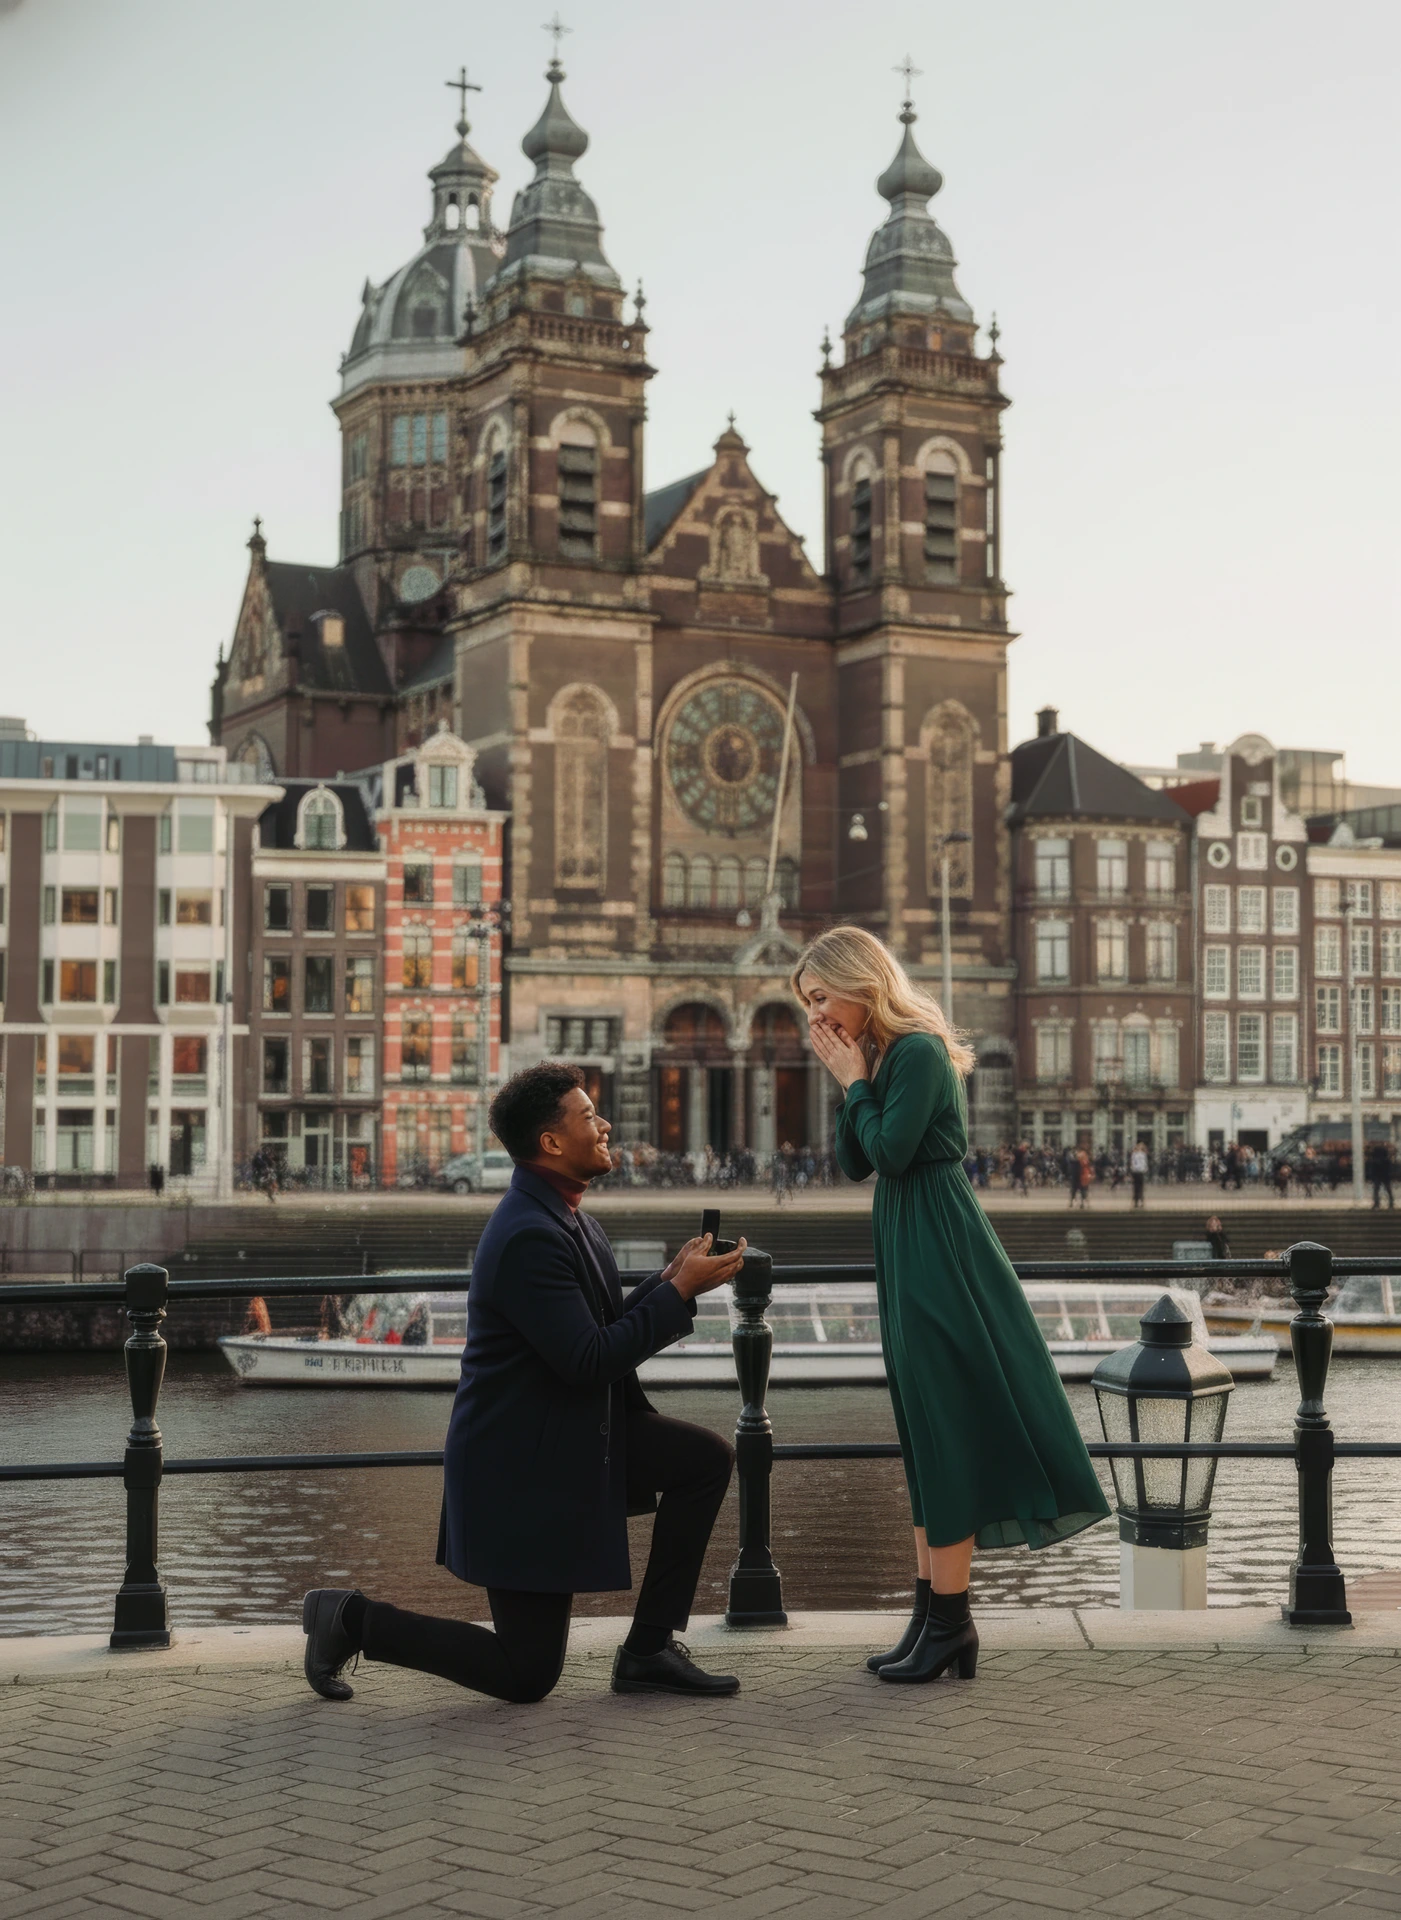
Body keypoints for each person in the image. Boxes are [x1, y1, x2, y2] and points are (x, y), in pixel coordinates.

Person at [301, 1063, 748, 1706]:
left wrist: (671, 1278)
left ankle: (648, 1650)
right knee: (526, 1674)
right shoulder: (529, 1236)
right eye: (588, 1115)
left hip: (567, 1436)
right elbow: (588, 1360)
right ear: (551, 1142)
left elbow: (595, 1331)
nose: (604, 1125)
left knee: (704, 1460)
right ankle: (348, 1619)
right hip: (520, 1467)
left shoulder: (567, 1217)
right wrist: (677, 1292)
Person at [796, 926, 1108, 1687]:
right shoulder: (880, 1058)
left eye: (820, 997)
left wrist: (854, 1082)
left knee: (946, 1426)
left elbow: (892, 1152)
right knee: (924, 1429)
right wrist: (851, 1078)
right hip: (908, 1238)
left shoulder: (918, 1053)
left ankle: (950, 1623)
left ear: (860, 984)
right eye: (807, 1004)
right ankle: (931, 1618)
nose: (816, 1017)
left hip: (937, 1240)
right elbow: (853, 1162)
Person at [1367, 1139, 1395, 1210]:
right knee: (1388, 1189)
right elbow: (1389, 1168)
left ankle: (1376, 1204)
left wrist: (1372, 1176)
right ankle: (1391, 1203)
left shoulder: (1374, 1160)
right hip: (1385, 1175)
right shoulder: (1386, 1160)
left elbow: (1372, 1169)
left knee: (1376, 1189)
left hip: (1377, 1175)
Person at [1129, 1141, 1149, 1210]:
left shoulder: (1136, 1154)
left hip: (1137, 1172)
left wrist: (1133, 1169)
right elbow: (1144, 1163)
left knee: (1137, 1188)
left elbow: (1133, 1163)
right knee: (1139, 1188)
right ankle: (1139, 1202)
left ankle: (1138, 1202)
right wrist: (1144, 1169)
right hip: (1139, 1172)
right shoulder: (1141, 1155)